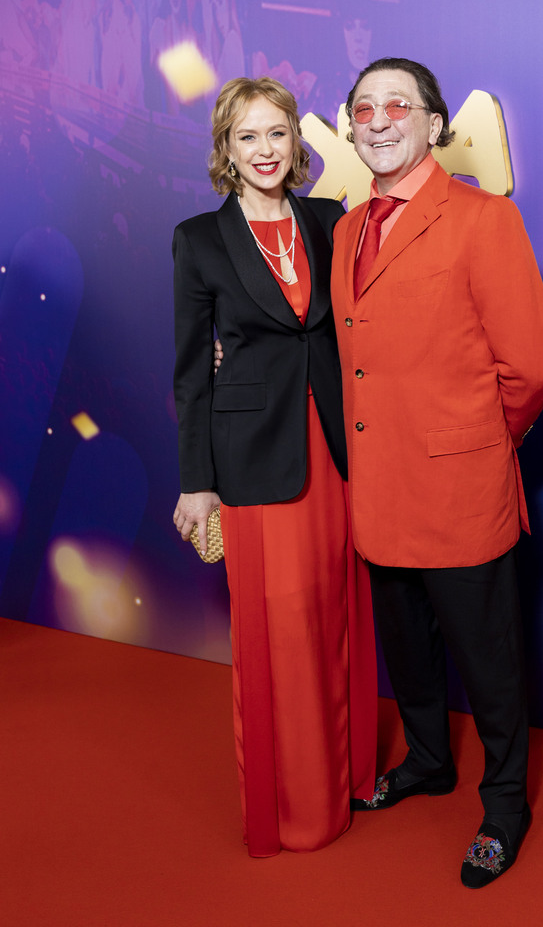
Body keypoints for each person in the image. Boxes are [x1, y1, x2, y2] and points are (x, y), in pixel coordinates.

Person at [330, 58, 543, 888]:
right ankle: (428, 760)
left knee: (489, 663)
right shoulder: (347, 231)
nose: (378, 120)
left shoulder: (483, 217)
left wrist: (482, 442)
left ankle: (504, 807)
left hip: (461, 490)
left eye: (398, 105)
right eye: (363, 108)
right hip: (378, 490)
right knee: (408, 650)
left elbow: (533, 365)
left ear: (433, 124)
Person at [172, 76, 376, 858]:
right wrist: (198, 480)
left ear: (297, 141)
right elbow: (192, 370)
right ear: (226, 150)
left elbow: (362, 324)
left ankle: (350, 777)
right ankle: (293, 806)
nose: (265, 149)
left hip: (336, 452)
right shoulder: (198, 239)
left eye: (277, 133)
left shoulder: (330, 221)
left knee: (336, 616)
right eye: (247, 136)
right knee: (279, 629)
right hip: (254, 461)